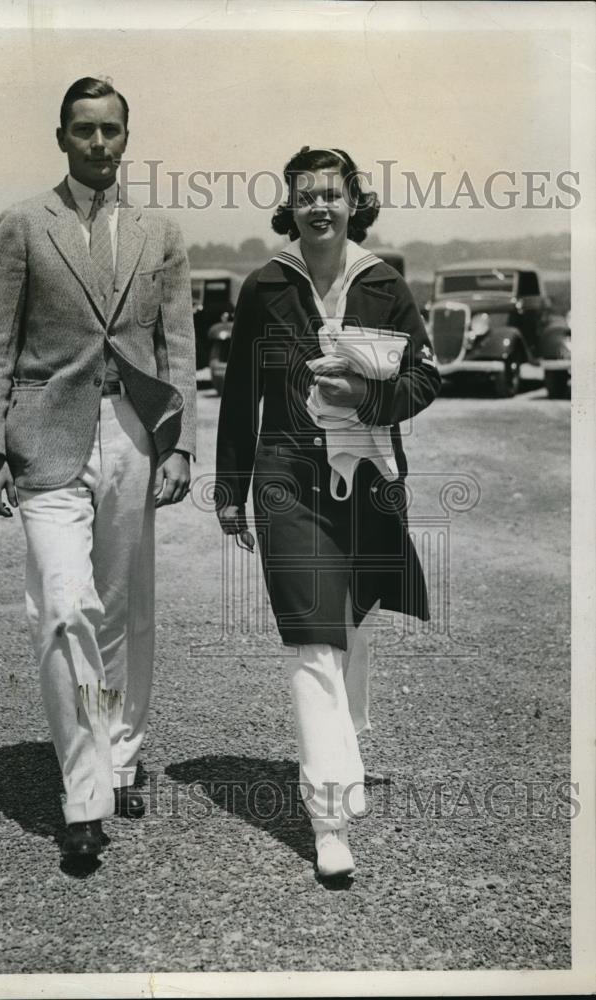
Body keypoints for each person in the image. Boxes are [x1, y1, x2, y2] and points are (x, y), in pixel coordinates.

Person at [0, 77, 197, 866]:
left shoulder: (158, 231)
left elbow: (178, 347)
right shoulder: (23, 226)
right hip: (45, 439)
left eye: (110, 131)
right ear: (60, 137)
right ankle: (84, 789)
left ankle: (122, 753)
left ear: (126, 138)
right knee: (65, 608)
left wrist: (179, 445)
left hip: (132, 434)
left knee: (122, 610)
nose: (98, 144)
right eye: (83, 131)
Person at [215, 146, 440, 879]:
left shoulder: (384, 283)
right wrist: (229, 487)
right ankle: (328, 818)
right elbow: (238, 394)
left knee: (347, 622)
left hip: (369, 477)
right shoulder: (264, 287)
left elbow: (425, 380)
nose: (319, 206)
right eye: (305, 195)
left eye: (331, 195)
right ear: (289, 205)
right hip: (284, 477)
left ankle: (348, 740)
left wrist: (366, 399)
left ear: (352, 203)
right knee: (311, 636)